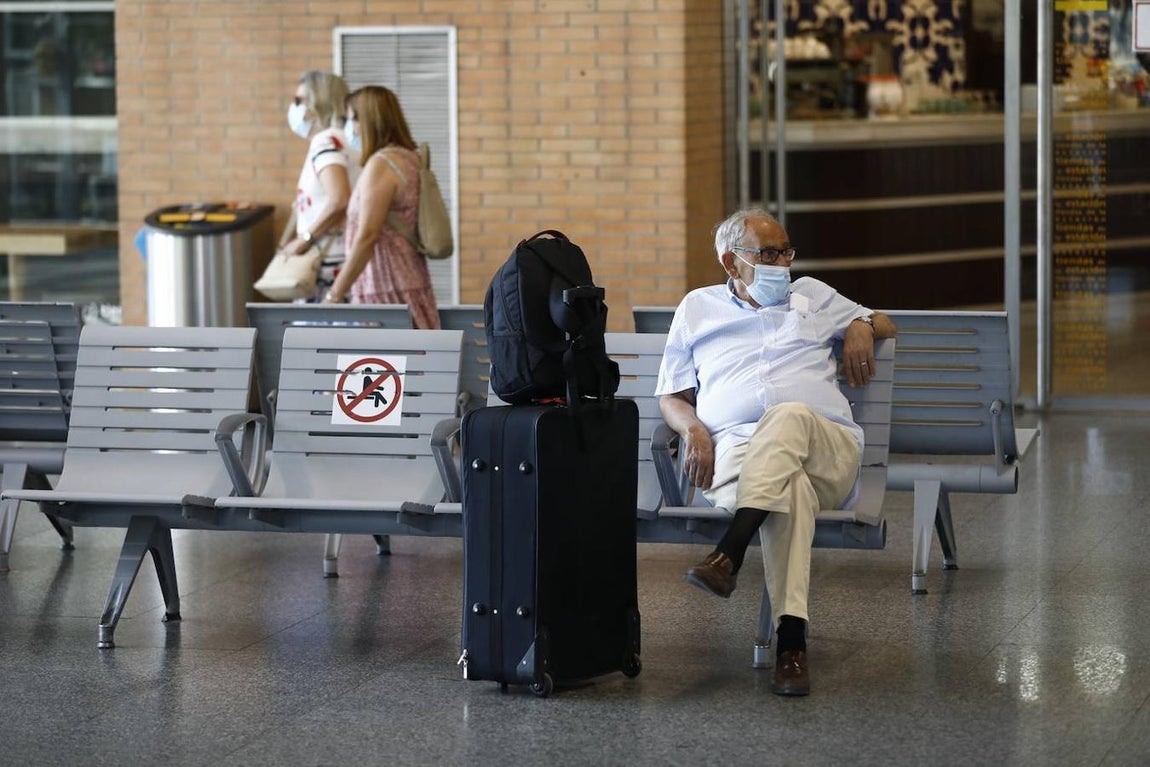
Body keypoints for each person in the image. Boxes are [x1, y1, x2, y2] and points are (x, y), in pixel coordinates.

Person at [655, 208, 896, 697]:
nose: (781, 263)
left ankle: (731, 549)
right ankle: (792, 646)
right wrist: (695, 430)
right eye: (767, 253)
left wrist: (862, 325)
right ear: (731, 261)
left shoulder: (814, 296)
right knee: (791, 495)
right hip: (736, 451)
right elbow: (671, 396)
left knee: (788, 415)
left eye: (786, 251)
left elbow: (885, 321)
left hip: (825, 446)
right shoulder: (696, 308)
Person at [322, 85, 441, 329]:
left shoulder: (382, 164)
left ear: (369, 121)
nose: (350, 128)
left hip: (384, 284)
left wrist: (334, 295)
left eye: (353, 119)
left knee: (385, 365)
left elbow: (367, 235)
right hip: (409, 279)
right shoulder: (409, 157)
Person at [280, 71, 359, 302]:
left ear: (319, 102)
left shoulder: (326, 142)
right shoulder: (349, 140)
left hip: (327, 263)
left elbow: (339, 199)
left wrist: (304, 239)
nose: (294, 108)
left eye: (299, 101)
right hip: (346, 259)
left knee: (316, 337)